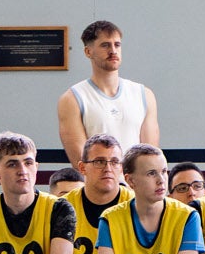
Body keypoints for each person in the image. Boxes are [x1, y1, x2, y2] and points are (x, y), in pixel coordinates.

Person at [56, 18, 160, 161]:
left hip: (134, 182)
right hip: (97, 182)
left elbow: (150, 157)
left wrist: (130, 181)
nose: (113, 51)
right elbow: (80, 161)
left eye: (117, 45)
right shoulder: (72, 99)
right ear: (88, 52)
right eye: (105, 45)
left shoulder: (144, 95)